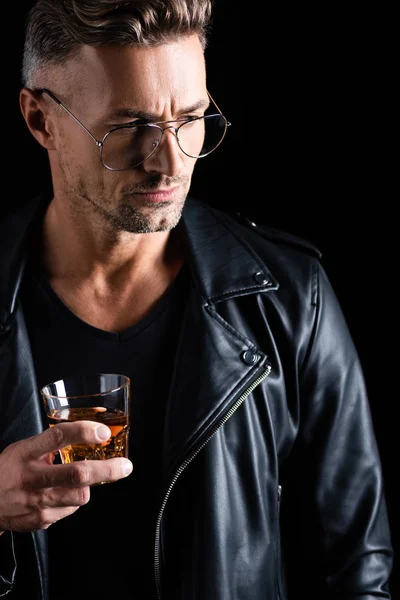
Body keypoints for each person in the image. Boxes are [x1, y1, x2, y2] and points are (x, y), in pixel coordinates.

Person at [0, 0, 394, 598]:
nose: (170, 161)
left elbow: (356, 568)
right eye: (129, 128)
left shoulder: (289, 297)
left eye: (190, 119)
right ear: (40, 120)